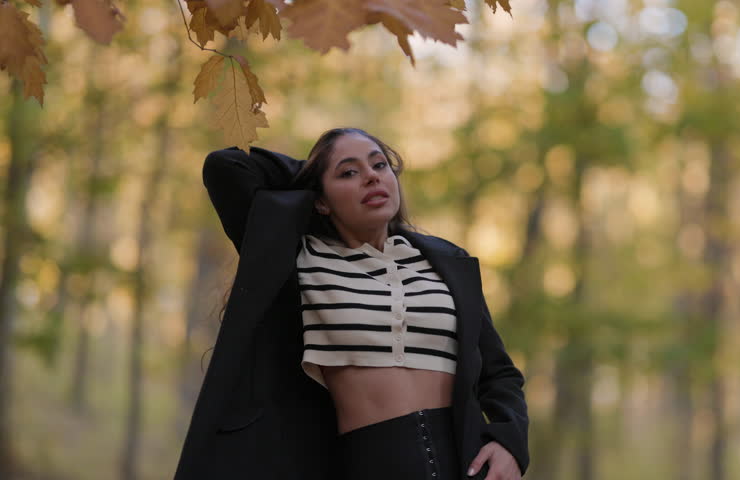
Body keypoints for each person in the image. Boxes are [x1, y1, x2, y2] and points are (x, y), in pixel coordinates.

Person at [174, 127, 529, 480]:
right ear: (321, 199)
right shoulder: (301, 260)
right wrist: (315, 173)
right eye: (349, 172)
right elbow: (225, 166)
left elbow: (499, 375)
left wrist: (510, 442)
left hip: (464, 464)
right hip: (366, 462)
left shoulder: (448, 262)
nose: (371, 177)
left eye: (380, 166)